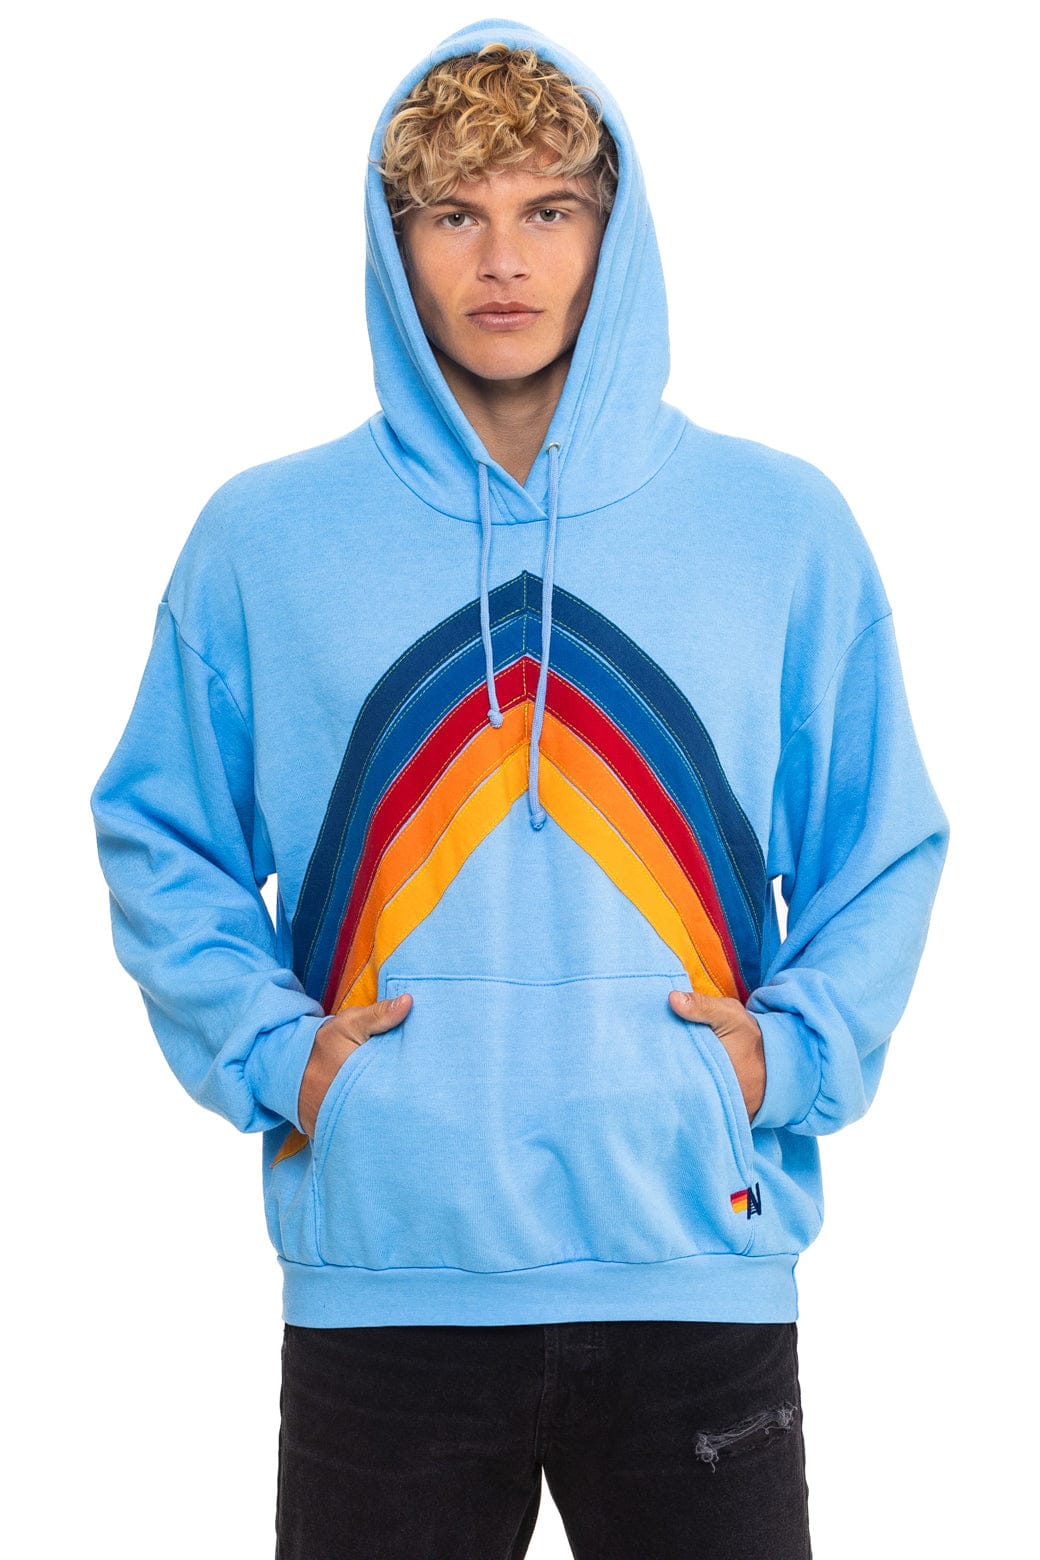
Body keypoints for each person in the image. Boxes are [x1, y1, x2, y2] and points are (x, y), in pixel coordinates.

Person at [90, 19, 950, 1559]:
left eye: (550, 208)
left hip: (693, 1267)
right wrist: (284, 1060)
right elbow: (161, 836)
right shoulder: (265, 539)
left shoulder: (778, 526)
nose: (503, 259)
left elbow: (880, 846)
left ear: (615, 233)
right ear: (395, 242)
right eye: (454, 213)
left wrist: (784, 1061)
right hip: (387, 1277)